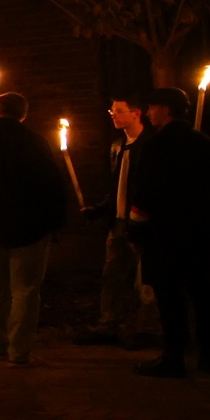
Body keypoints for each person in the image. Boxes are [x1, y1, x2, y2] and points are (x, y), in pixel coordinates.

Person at [0, 92, 66, 365]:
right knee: (25, 290)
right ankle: (18, 350)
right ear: (23, 114)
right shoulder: (34, 142)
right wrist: (53, 222)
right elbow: (51, 185)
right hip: (28, 228)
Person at [130, 87, 210, 378]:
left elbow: (145, 190)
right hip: (200, 232)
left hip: (165, 233)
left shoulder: (156, 145)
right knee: (204, 296)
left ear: (166, 110)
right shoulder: (206, 144)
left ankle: (174, 356)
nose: (148, 113)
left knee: (170, 297)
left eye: (152, 107)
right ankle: (208, 356)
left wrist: (136, 229)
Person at [77, 97, 150, 348]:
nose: (114, 115)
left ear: (136, 113)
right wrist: (98, 211)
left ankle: (145, 329)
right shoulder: (117, 146)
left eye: (119, 111)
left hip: (142, 224)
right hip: (118, 223)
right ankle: (108, 324)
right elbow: (116, 186)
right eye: (112, 111)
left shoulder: (150, 146)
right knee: (111, 276)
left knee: (145, 280)